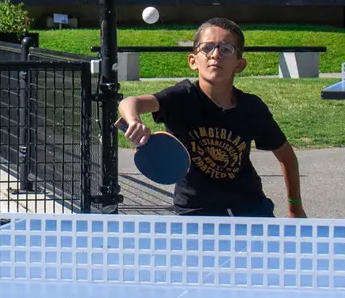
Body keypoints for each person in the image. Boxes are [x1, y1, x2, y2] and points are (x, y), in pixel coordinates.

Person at [118, 17, 306, 217]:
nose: (215, 54)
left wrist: (295, 207)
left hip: (250, 207)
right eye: (207, 48)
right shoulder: (181, 98)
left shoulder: (252, 109)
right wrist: (134, 120)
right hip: (195, 210)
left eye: (226, 49)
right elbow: (130, 103)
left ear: (239, 65)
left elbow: (287, 157)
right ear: (193, 61)